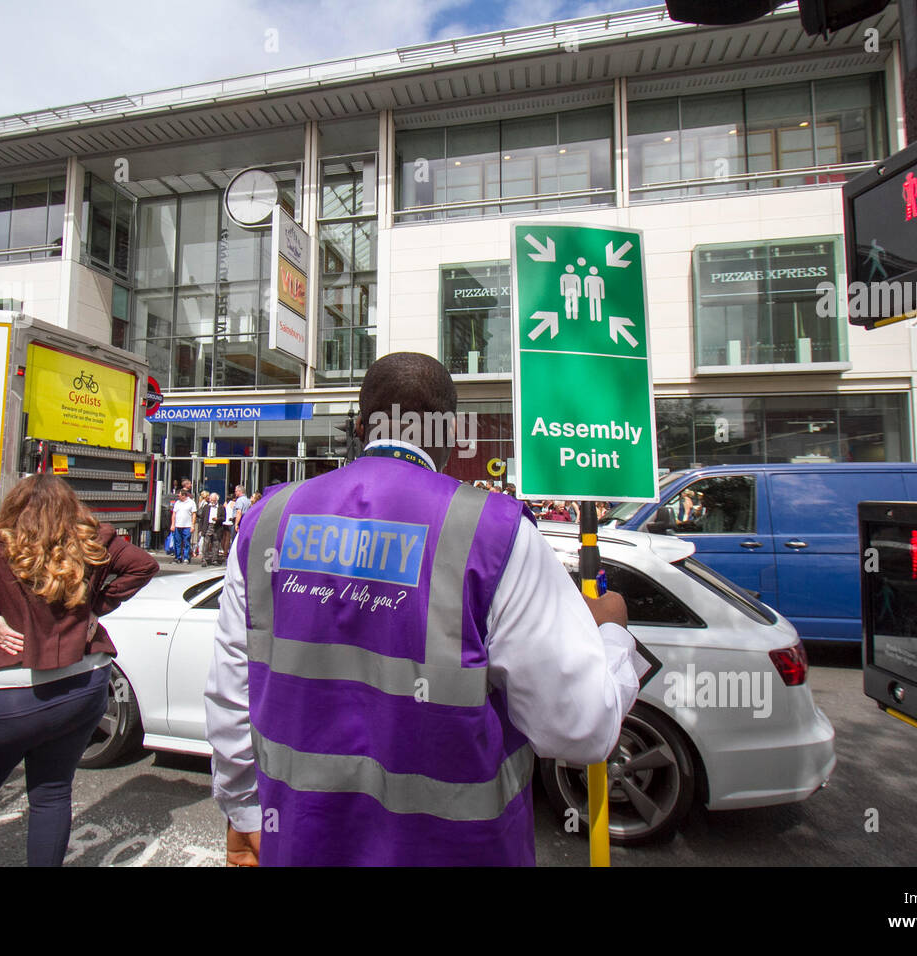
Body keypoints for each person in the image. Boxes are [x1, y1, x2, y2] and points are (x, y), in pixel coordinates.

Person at [206, 352, 643, 866]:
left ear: (359, 425)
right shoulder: (496, 534)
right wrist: (612, 634)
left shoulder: (265, 522)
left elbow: (230, 691)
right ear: (451, 434)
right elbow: (582, 726)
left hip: (301, 843)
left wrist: (247, 813)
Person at [0, 474, 158, 866]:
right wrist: (98, 607)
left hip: (2, 695)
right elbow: (144, 565)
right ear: (72, 509)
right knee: (52, 794)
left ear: (14, 508)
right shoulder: (94, 539)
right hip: (82, 685)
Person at [170, 488, 197, 564]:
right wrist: (173, 524)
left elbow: (194, 514)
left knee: (186, 542)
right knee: (177, 542)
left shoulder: (191, 502)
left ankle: (186, 558)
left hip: (187, 526)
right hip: (178, 525)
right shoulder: (177, 503)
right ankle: (177, 557)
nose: (178, 497)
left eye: (179, 496)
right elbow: (174, 514)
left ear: (184, 495)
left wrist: (192, 525)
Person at [200, 492, 226, 566]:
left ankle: (215, 559)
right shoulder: (206, 507)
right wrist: (201, 529)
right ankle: (204, 559)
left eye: (213, 500)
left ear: (216, 500)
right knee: (206, 543)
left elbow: (224, 518)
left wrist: (217, 519)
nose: (211, 502)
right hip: (208, 526)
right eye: (210, 500)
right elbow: (202, 518)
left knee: (216, 543)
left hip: (216, 527)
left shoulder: (221, 507)